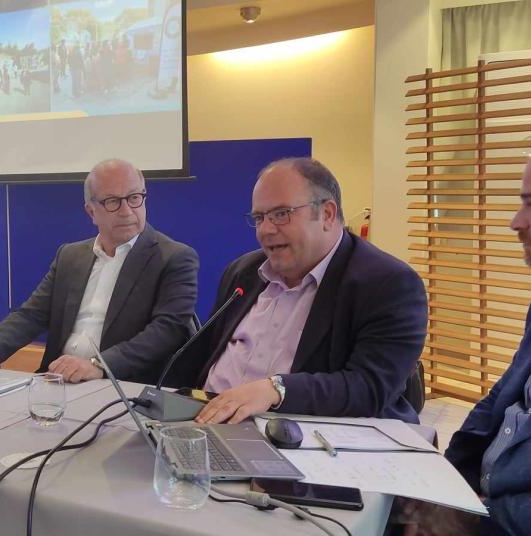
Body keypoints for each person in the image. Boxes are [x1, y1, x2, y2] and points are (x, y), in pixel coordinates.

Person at [169, 157, 427, 424]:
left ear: (327, 214)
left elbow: (369, 387)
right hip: (205, 421)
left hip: (298, 435)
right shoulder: (243, 271)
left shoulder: (389, 284)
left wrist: (275, 390)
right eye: (259, 217)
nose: (265, 230)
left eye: (281, 214)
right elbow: (201, 356)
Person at [0, 158, 199, 384]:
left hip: (120, 386)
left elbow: (166, 331)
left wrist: (98, 366)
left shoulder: (174, 258)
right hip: (57, 382)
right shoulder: (70, 255)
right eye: (112, 201)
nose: (126, 211)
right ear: (91, 211)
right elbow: (31, 316)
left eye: (134, 198)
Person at [394, 158, 531, 536]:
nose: (515, 222)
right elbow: (501, 398)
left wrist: (474, 520)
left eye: (530, 204)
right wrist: (445, 484)